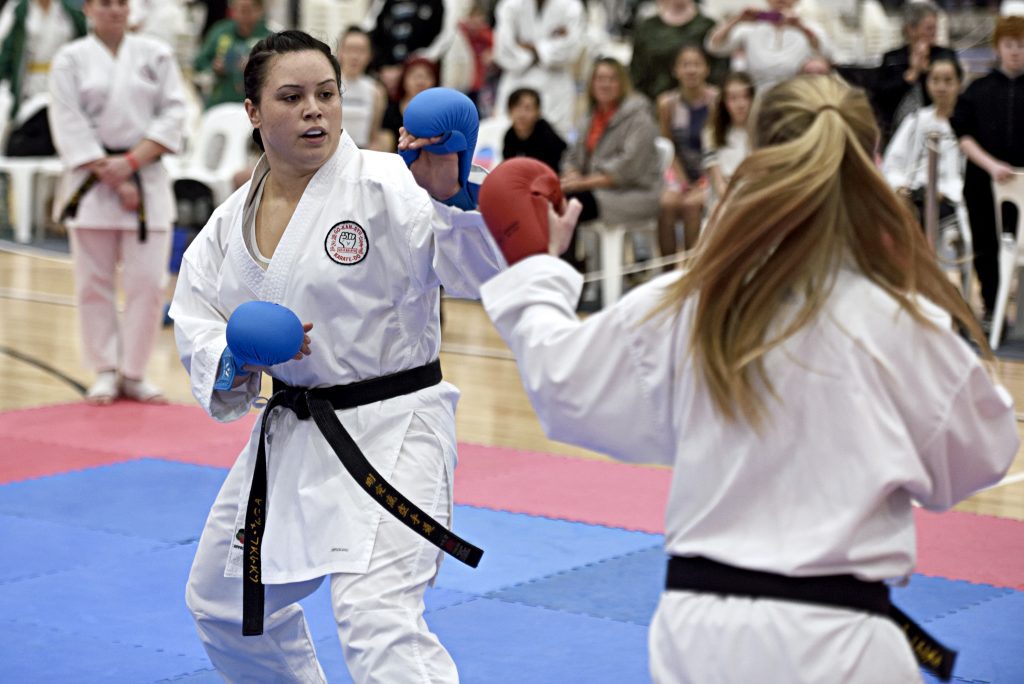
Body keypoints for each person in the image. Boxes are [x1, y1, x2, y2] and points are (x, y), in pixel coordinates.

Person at [476, 74, 1018, 684]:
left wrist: (538, 269)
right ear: (866, 162)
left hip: (702, 636)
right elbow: (982, 454)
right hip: (845, 641)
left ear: (755, 157)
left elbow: (562, 384)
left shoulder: (689, 303)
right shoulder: (898, 322)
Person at [170, 30, 505, 682]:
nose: (314, 109)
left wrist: (453, 193)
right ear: (253, 112)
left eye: (326, 94)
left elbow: (474, 272)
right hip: (293, 434)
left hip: (394, 429)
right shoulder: (226, 224)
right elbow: (196, 319)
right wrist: (238, 357)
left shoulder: (389, 183)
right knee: (222, 602)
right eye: (291, 97)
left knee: (376, 618)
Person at [47, 0, 186, 405]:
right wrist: (111, 173)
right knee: (93, 283)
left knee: (147, 283)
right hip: (90, 182)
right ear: (89, 9)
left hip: (145, 175)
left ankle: (134, 372)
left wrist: (130, 164)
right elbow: (67, 121)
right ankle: (105, 369)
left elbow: (175, 114)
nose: (114, 11)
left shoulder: (156, 54)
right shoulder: (70, 59)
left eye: (121, 3)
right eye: (105, 4)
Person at [561, 56, 660, 304]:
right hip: (596, 191)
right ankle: (568, 277)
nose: (605, 85)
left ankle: (570, 279)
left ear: (622, 83)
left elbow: (628, 167)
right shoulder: (591, 116)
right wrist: (572, 171)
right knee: (557, 200)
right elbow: (573, 154)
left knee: (568, 203)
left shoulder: (639, 116)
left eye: (612, 79)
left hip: (633, 194)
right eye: (599, 79)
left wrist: (581, 182)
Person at [950, 15, 1024, 327]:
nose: (1016, 51)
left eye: (1022, 45)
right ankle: (993, 308)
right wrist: (992, 166)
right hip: (984, 181)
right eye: (1010, 45)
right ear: (997, 47)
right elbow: (962, 136)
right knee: (986, 245)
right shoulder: (977, 90)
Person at [882, 58, 964, 228]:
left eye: (948, 81)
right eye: (935, 80)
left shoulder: (967, 123)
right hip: (914, 193)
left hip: (950, 201)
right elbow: (892, 163)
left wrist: (946, 192)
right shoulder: (915, 120)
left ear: (959, 84)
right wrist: (899, 186)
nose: (941, 87)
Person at [0, 0, 86, 157]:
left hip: (62, 78)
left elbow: (83, 42)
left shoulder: (68, 10)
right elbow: (6, 51)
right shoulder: (19, 9)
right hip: (30, 81)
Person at [491, 0, 585, 138]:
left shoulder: (571, 7)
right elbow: (504, 50)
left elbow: (572, 50)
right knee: (507, 140)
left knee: (554, 143)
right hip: (517, 80)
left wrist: (533, 48)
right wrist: (550, 45)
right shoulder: (509, 6)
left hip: (556, 86)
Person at [656, 44, 717, 256]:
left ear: (706, 69)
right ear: (676, 70)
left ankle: (692, 271)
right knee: (666, 204)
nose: (691, 70)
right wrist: (683, 182)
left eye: (697, 64)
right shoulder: (667, 103)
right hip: (678, 171)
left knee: (692, 206)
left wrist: (702, 182)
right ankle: (668, 273)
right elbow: (667, 146)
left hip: (711, 171)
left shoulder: (716, 100)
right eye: (685, 65)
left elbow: (717, 146)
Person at [874, 1, 957, 144]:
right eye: (929, 29)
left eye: (935, 28)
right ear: (911, 30)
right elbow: (882, 97)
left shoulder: (945, 56)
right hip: (897, 133)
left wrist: (928, 73)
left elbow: (953, 92)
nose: (934, 34)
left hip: (937, 130)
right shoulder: (892, 58)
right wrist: (912, 73)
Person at [705, 0, 831, 92]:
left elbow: (826, 52)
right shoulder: (752, 26)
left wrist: (800, 27)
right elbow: (713, 46)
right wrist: (737, 19)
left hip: (796, 97)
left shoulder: (809, 25)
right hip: (758, 97)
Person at [629, 0, 727, 101]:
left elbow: (720, 68)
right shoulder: (647, 28)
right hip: (654, 100)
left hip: (703, 102)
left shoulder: (707, 26)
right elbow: (636, 71)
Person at [193, 0, 271, 109]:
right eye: (236, 9)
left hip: (256, 106)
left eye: (246, 10)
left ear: (259, 10)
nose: (241, 15)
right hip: (220, 103)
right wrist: (213, 66)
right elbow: (199, 62)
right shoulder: (220, 31)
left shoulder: (269, 39)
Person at [702, 71, 754, 209]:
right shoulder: (711, 133)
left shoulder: (762, 132)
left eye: (746, 96)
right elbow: (719, 185)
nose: (741, 104)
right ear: (724, 101)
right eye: (733, 98)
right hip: (725, 203)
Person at [336, 27, 387, 150]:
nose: (354, 56)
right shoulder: (329, 85)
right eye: (350, 50)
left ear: (369, 55)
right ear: (340, 52)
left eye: (360, 51)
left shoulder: (376, 91)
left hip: (361, 151)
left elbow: (374, 135)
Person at [378, 55, 439, 151]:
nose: (420, 81)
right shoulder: (392, 109)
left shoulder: (441, 111)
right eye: (415, 76)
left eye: (427, 76)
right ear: (404, 80)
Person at [502, 86, 566, 173]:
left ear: (538, 112)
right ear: (509, 111)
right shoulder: (509, 135)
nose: (522, 114)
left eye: (528, 108)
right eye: (517, 107)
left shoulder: (546, 135)